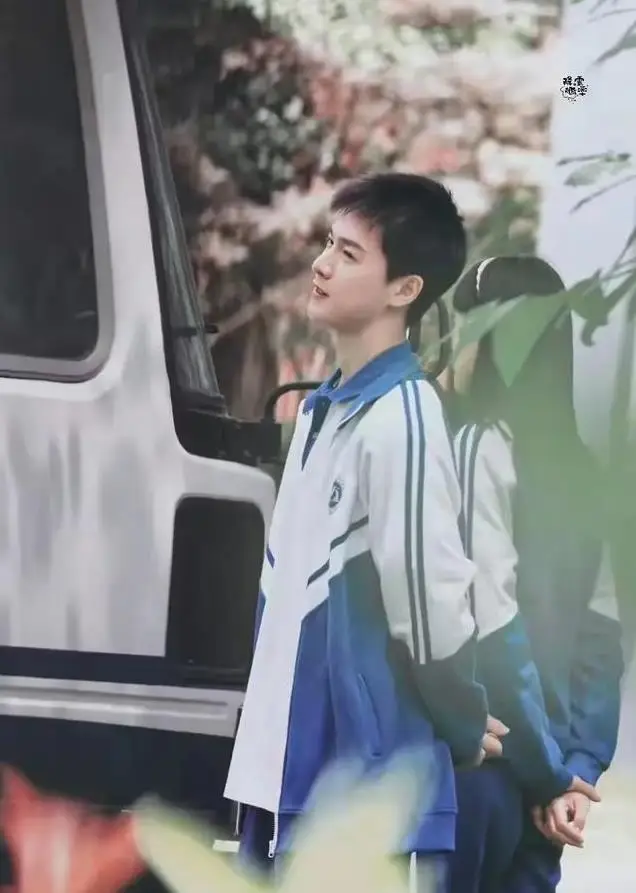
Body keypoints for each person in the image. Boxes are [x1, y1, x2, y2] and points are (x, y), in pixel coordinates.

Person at [224, 173, 504, 892]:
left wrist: (464, 719)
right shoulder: (320, 412)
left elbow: (433, 605)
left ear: (404, 289)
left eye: (348, 254)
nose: (321, 264)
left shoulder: (403, 416)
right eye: (328, 243)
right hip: (281, 774)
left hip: (364, 792)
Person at [448, 255, 624, 893]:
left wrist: (550, 772)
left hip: (486, 766)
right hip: (548, 792)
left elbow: (494, 630)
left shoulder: (477, 447)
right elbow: (601, 644)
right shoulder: (584, 473)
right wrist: (578, 768)